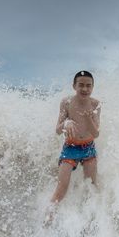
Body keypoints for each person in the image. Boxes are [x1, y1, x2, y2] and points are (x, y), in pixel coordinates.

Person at [50, 70, 101, 204]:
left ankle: (90, 222)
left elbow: (96, 134)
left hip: (89, 147)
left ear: (92, 87)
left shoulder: (96, 104)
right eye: (81, 85)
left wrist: (89, 119)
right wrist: (66, 123)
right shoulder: (66, 102)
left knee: (91, 188)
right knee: (61, 190)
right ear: (74, 86)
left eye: (88, 85)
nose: (85, 89)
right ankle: (46, 223)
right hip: (70, 148)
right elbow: (57, 130)